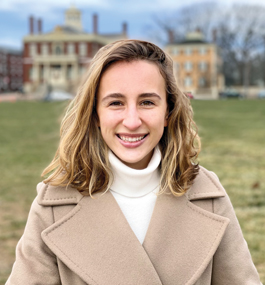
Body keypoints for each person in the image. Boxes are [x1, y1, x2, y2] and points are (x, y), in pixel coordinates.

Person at [6, 40, 261, 285]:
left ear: (168, 113)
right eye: (116, 103)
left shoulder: (208, 196)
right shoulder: (52, 206)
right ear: (95, 114)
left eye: (147, 102)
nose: (132, 121)